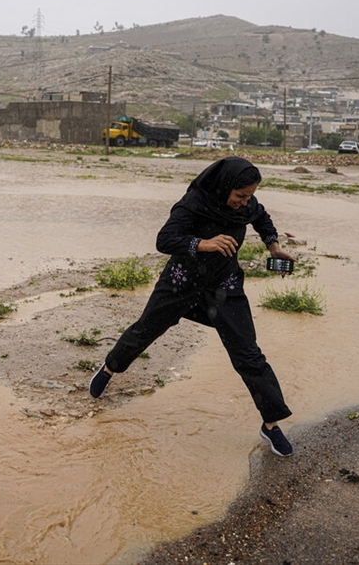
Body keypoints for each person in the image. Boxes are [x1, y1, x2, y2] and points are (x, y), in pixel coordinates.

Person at [89, 156, 296, 456]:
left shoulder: (247, 203)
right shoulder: (195, 202)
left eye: (249, 196)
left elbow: (261, 217)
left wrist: (274, 246)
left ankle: (271, 425)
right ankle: (109, 368)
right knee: (144, 331)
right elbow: (165, 239)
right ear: (225, 186)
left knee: (248, 353)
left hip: (224, 286)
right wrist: (204, 243)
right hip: (181, 281)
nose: (244, 202)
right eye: (240, 196)